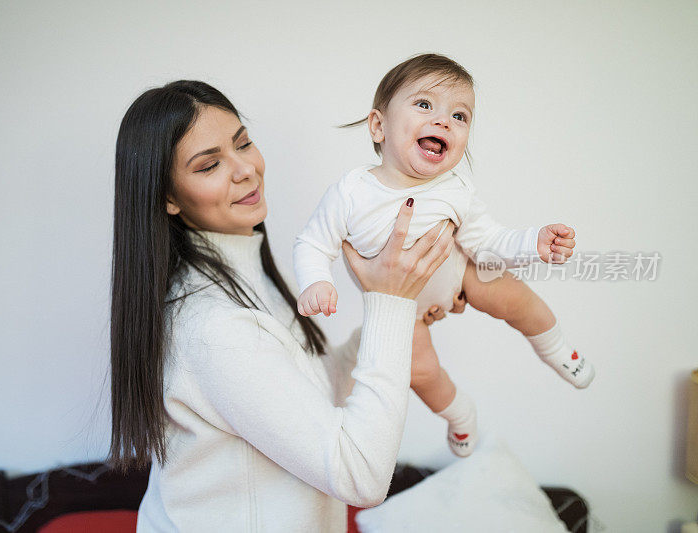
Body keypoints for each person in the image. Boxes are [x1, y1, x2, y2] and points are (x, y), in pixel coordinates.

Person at [107, 80, 459, 532]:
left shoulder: (247, 275)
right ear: (168, 197)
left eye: (243, 144)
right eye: (210, 164)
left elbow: (307, 395)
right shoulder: (214, 325)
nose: (245, 170)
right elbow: (360, 475)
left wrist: (399, 318)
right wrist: (390, 303)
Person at [293, 53, 596, 458]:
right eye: (424, 105)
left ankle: (558, 350)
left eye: (460, 116)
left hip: (460, 276)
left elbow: (489, 241)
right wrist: (317, 280)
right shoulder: (350, 193)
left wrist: (533, 244)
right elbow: (313, 244)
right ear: (378, 125)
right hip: (401, 309)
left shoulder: (455, 189)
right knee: (420, 373)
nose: (443, 121)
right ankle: (459, 415)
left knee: (515, 298)